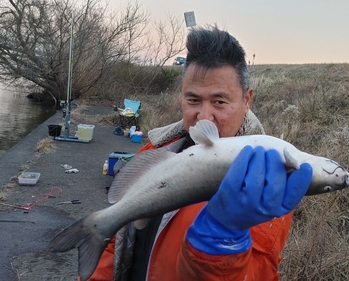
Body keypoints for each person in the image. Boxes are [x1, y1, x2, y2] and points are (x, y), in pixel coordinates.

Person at [87, 26, 313, 281]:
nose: (204, 117)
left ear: (247, 100)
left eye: (219, 102)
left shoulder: (265, 185)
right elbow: (115, 250)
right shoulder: (155, 151)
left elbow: (256, 274)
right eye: (193, 100)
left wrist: (223, 247)